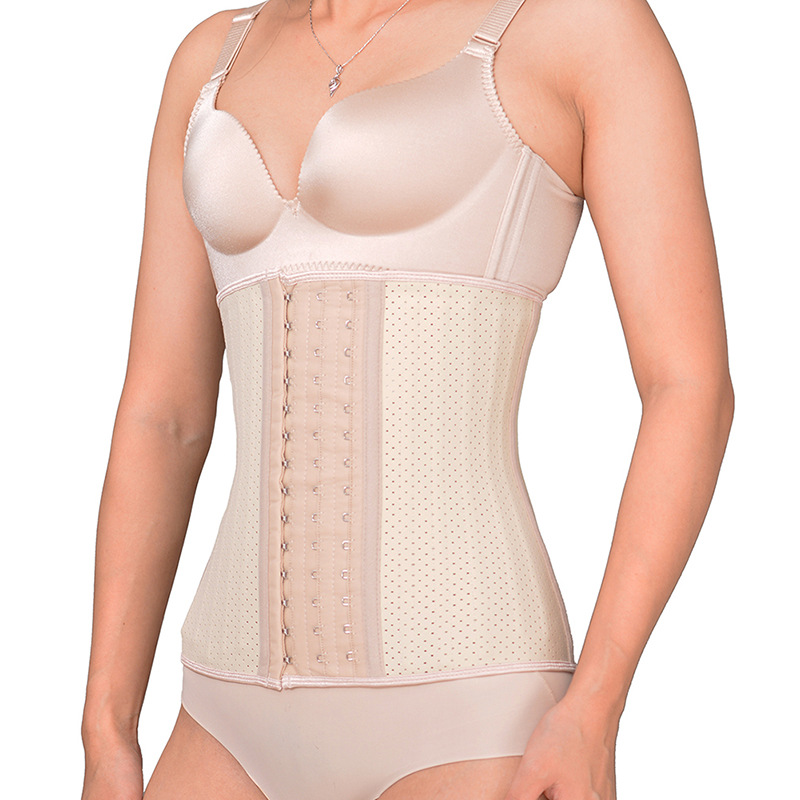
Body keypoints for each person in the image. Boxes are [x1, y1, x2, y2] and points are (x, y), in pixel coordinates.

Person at [80, 0, 734, 798]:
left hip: (468, 708)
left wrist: (595, 708)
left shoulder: (575, 26)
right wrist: (105, 726)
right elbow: (164, 415)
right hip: (222, 713)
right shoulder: (209, 60)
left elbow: (687, 387)